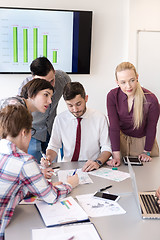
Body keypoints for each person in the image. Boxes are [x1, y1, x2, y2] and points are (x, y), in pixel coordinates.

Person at [0, 105, 79, 240]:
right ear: (24, 132)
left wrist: (44, 186)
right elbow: (51, 197)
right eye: (32, 131)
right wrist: (69, 184)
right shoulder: (24, 161)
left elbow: (15, 186)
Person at [41, 82, 112, 172]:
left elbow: (107, 147)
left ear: (86, 98)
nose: (75, 109)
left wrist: (98, 162)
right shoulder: (60, 119)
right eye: (70, 105)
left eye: (78, 104)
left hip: (92, 166)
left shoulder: (100, 118)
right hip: (67, 167)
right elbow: (53, 146)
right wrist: (48, 159)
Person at [18, 57, 71, 163]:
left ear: (54, 72)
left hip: (51, 129)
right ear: (34, 80)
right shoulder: (25, 87)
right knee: (34, 166)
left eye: (52, 81)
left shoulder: (63, 79)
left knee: (52, 166)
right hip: (33, 132)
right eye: (44, 84)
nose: (50, 86)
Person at [106, 62, 160, 167]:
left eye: (132, 80)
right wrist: (116, 156)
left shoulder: (151, 99)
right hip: (121, 143)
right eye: (123, 82)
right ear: (117, 82)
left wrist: (146, 152)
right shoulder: (112, 96)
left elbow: (151, 127)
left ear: (137, 77)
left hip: (144, 143)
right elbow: (114, 127)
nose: (128, 86)